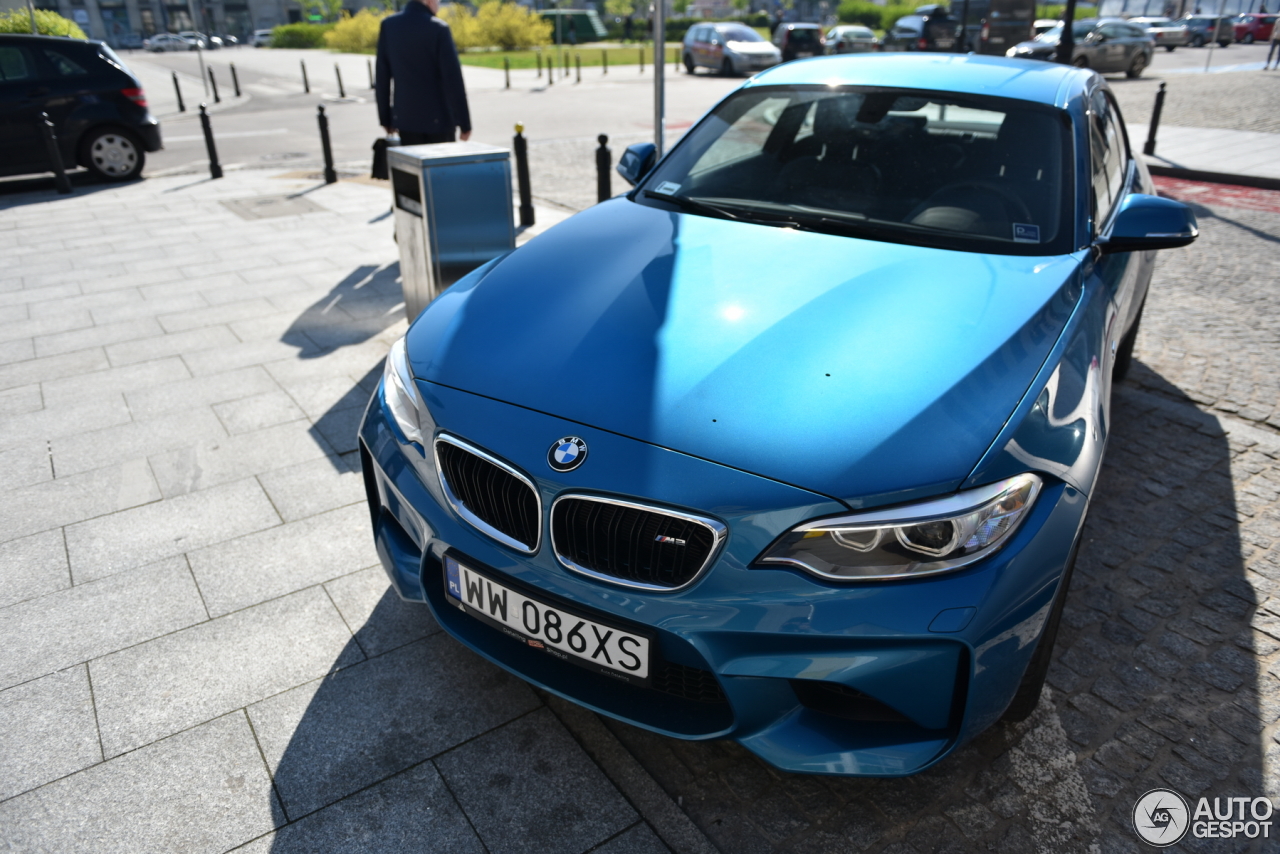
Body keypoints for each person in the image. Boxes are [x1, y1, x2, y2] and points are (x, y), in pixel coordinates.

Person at [376, 0, 471, 144]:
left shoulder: (388, 26)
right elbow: (453, 80)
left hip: (405, 119)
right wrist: (465, 123)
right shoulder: (439, 28)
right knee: (440, 165)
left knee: (411, 165)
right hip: (440, 120)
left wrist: (386, 119)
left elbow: (382, 77)